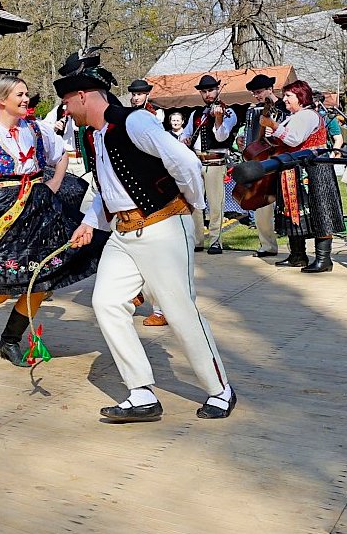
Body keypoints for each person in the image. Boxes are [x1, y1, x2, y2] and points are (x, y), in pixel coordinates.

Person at [58, 60, 235, 423]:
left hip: (164, 229)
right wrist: (91, 222)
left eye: (67, 102)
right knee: (106, 303)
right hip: (123, 234)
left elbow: (184, 161)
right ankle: (141, 393)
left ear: (81, 96)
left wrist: (191, 205)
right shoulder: (94, 135)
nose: (65, 109)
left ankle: (220, 390)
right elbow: (108, 187)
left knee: (180, 310)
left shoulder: (134, 121)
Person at [0, 74, 102, 367]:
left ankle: (9, 341)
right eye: (20, 95)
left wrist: (53, 185)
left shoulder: (38, 130)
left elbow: (60, 157)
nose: (26, 100)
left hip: (39, 209)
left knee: (41, 279)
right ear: (2, 100)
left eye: (26, 94)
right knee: (2, 284)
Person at [269, 80, 345, 274]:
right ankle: (297, 255)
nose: (284, 99)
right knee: (295, 211)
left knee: (320, 211)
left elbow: (294, 139)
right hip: (298, 169)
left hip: (315, 169)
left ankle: (323, 259)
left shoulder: (308, 115)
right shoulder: (296, 115)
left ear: (301, 97)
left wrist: (274, 127)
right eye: (285, 95)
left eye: (289, 96)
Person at [180, 74, 238, 254]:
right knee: (196, 203)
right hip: (196, 162)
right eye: (204, 91)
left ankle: (215, 241)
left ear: (217, 90)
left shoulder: (229, 112)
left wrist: (218, 119)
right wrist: (185, 139)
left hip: (215, 162)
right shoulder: (195, 113)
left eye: (211, 90)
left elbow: (222, 136)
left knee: (215, 204)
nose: (207, 94)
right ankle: (198, 240)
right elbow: (185, 134)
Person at [241, 73, 289, 258]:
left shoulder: (285, 107)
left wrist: (275, 129)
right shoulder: (254, 111)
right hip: (261, 161)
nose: (256, 96)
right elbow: (251, 135)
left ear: (270, 89)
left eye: (259, 92)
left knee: (287, 204)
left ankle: (296, 248)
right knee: (262, 204)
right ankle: (267, 244)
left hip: (281, 159)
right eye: (254, 93)